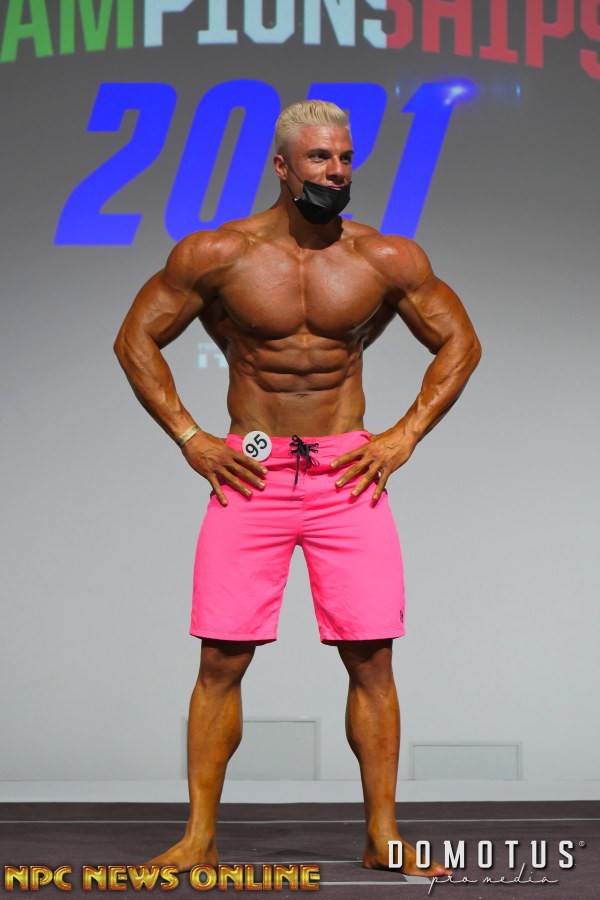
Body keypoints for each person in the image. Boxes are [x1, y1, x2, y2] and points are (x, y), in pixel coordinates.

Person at [114, 100, 482, 877]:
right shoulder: (219, 253)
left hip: (346, 469)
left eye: (344, 157)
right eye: (320, 158)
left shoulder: (384, 257)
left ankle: (383, 836)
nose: (336, 171)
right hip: (253, 468)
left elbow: (460, 341)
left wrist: (405, 434)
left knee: (371, 657)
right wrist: (190, 436)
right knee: (221, 658)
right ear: (282, 166)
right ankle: (199, 837)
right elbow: (135, 337)